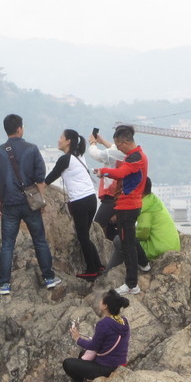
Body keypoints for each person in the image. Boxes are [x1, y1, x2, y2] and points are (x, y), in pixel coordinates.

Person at [0, 114, 60, 295]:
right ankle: (49, 278)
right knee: (40, 241)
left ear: (7, 130)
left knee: (7, 244)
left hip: (9, 204)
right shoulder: (32, 149)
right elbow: (40, 178)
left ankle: (4, 284)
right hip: (29, 204)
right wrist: (39, 200)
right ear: (20, 128)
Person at [96, 125, 148, 296]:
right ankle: (144, 263)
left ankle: (132, 284)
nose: (118, 148)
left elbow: (120, 173)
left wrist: (103, 171)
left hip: (128, 206)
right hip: (129, 205)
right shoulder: (137, 155)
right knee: (129, 239)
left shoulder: (135, 158)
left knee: (127, 245)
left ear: (125, 142)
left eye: (118, 146)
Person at [45, 130, 102, 278]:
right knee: (85, 235)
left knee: (82, 236)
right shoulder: (79, 156)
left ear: (68, 141)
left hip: (80, 201)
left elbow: (49, 179)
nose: (59, 140)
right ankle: (98, 265)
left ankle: (91, 270)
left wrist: (35, 188)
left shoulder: (65, 159)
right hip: (91, 199)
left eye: (61, 137)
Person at [108, 178, 180, 272]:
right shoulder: (152, 200)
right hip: (169, 245)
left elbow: (143, 233)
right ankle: (109, 272)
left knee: (120, 239)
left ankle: (141, 265)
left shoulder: (145, 206)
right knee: (123, 239)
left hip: (159, 248)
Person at [63, 289, 130, 382]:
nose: (99, 301)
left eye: (101, 300)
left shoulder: (104, 324)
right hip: (119, 363)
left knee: (67, 363)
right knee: (83, 353)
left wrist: (77, 338)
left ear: (105, 306)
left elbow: (94, 346)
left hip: (106, 368)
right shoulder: (123, 320)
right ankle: (82, 376)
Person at [86, 127, 124, 241]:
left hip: (111, 195)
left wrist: (92, 143)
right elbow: (113, 149)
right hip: (117, 194)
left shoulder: (115, 153)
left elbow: (97, 154)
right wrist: (102, 142)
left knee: (97, 224)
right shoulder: (125, 152)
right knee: (112, 225)